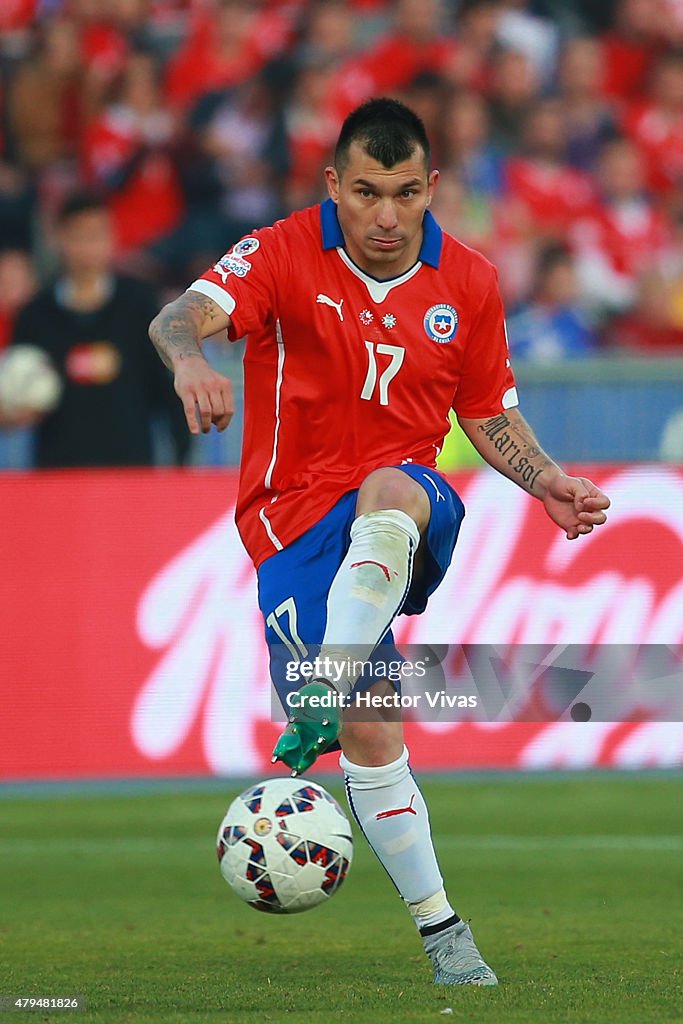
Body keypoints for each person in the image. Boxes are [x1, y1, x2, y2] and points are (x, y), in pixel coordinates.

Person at [149, 99, 610, 987]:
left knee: (391, 490)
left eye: (405, 193)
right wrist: (190, 361)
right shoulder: (281, 252)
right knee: (370, 728)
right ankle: (443, 932)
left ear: (431, 186)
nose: (388, 216)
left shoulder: (467, 281)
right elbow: (180, 314)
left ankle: (325, 682)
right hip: (289, 528)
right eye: (367, 193)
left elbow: (483, 409)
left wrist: (546, 478)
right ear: (335, 187)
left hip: (404, 507)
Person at [7, 192, 189, 468]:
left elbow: (166, 386)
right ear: (59, 239)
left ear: (111, 238)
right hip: (58, 472)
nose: (89, 246)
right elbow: (16, 386)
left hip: (131, 470)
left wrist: (181, 457)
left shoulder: (140, 306)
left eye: (97, 235)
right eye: (79, 236)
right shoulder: (34, 315)